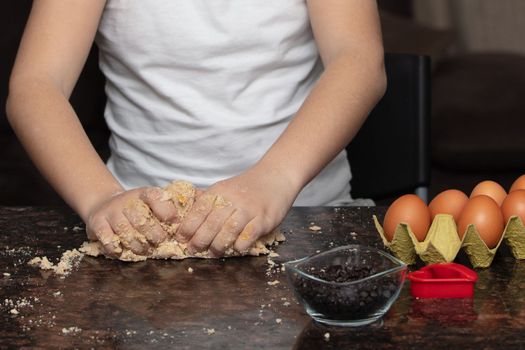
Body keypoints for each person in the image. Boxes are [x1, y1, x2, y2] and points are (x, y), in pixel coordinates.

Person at [6, 0, 386, 258]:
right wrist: (99, 199)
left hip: (307, 218)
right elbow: (36, 85)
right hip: (142, 233)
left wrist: (276, 179)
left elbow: (358, 61)